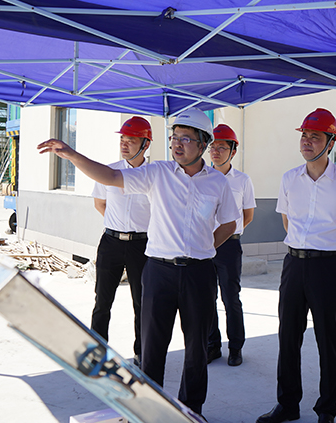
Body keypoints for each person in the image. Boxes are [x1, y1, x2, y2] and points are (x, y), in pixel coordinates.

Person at [37, 108, 240, 416]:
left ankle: (191, 410)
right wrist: (72, 155)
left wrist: (205, 247)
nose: (177, 144)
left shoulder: (218, 183)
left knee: (196, 348)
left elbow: (229, 223)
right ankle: (149, 411)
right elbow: (111, 177)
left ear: (203, 144)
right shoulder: (157, 173)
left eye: (186, 138)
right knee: (152, 347)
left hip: (199, 274)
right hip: (158, 271)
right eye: (174, 137)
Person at [257, 108, 336, 423]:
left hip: (328, 267)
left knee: (327, 339)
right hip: (294, 264)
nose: (306, 141)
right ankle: (287, 404)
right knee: (288, 336)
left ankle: (327, 409)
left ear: (331, 142)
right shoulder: (289, 178)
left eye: (314, 136)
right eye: (304, 136)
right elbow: (287, 220)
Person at [90, 117, 152, 367]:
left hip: (142, 246)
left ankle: (142, 353)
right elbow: (100, 204)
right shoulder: (108, 172)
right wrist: (118, 227)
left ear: (145, 144)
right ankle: (97, 352)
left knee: (142, 302)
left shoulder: (154, 176)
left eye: (131, 140)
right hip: (111, 243)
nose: (124, 144)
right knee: (102, 301)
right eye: (122, 140)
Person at [206, 123, 256, 367]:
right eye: (212, 147)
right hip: (204, 245)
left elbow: (248, 215)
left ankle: (235, 347)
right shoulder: (202, 176)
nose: (215, 151)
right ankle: (212, 346)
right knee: (206, 298)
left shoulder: (243, 180)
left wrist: (229, 233)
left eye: (222, 147)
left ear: (233, 151)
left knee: (231, 298)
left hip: (229, 247)